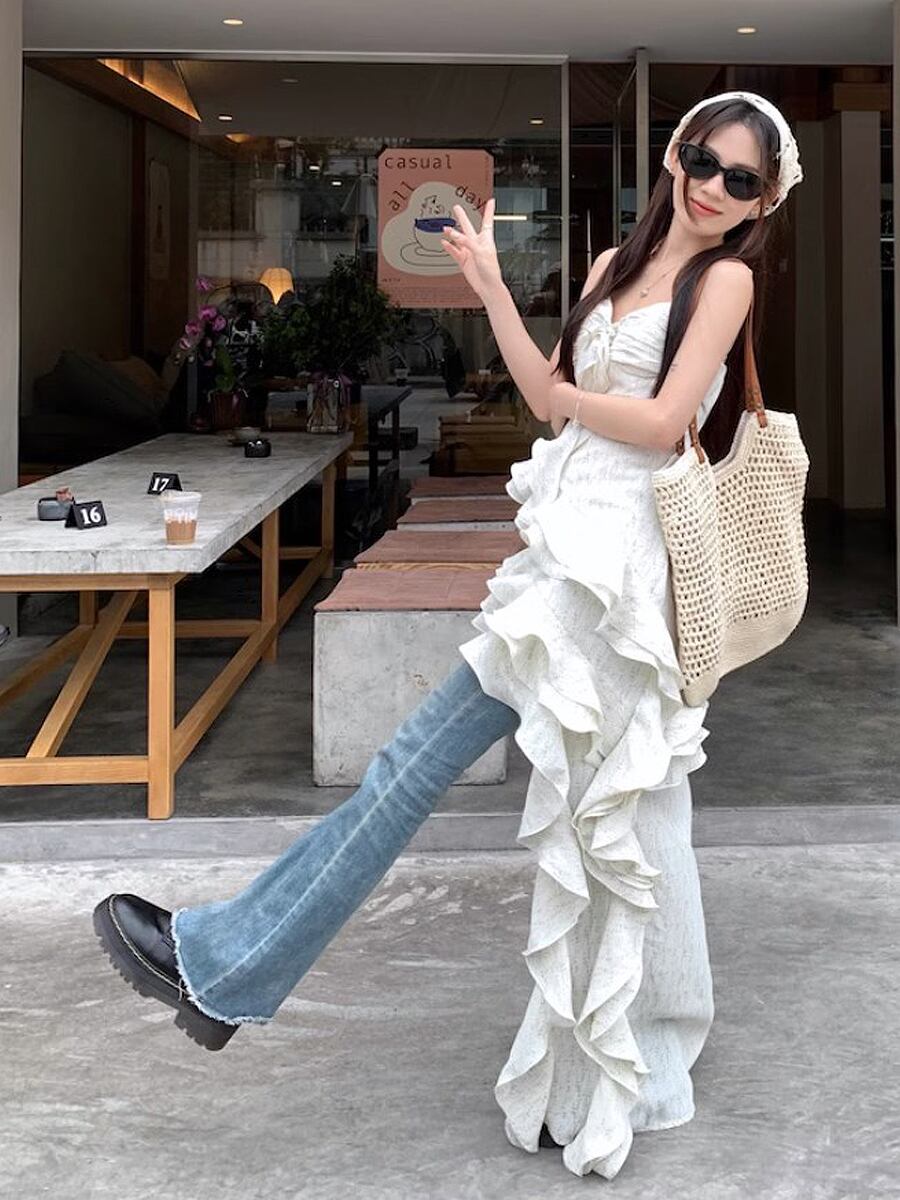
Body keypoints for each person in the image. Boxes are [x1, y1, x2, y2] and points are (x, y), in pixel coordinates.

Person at [93, 91, 804, 1181]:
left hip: (614, 576)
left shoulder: (727, 281)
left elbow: (663, 424)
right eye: (704, 160)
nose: (713, 187)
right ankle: (622, 1068)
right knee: (615, 818)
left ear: (763, 201)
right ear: (675, 155)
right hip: (564, 556)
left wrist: (572, 401)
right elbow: (544, 396)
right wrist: (492, 291)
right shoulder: (615, 263)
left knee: (563, 810)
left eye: (741, 179)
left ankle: (231, 970)